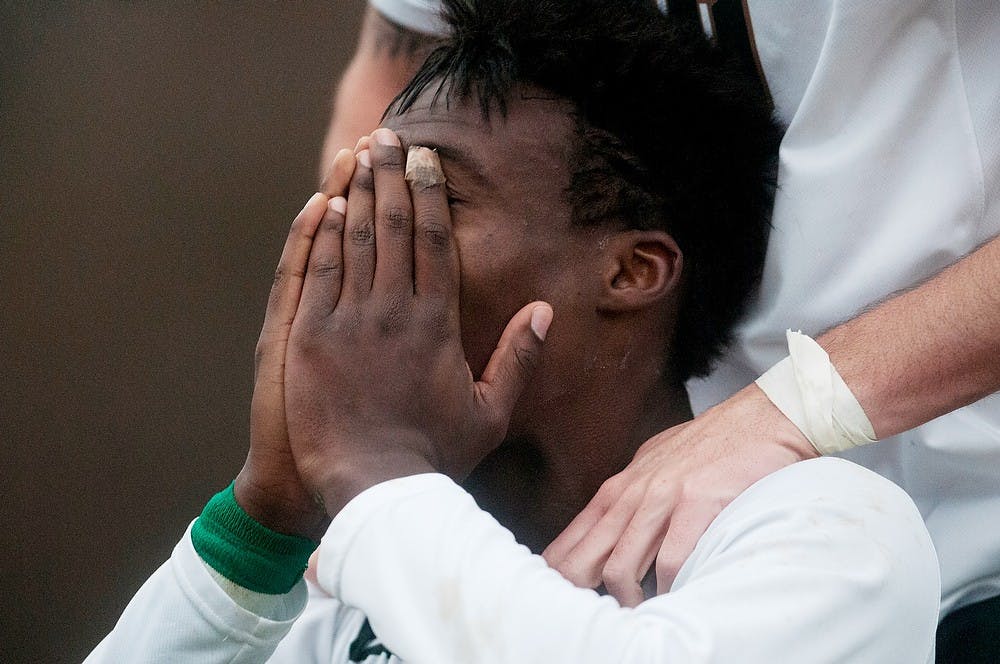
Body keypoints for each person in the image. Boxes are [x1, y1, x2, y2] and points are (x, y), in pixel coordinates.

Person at [87, 2, 940, 662]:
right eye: (365, 191)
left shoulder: (831, 531)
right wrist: (262, 525)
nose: (363, 234)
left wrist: (375, 469)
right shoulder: (351, 569)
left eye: (430, 197)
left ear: (633, 271)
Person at [324, 2, 1000, 658]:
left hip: (965, 535)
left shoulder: (838, 529)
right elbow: (395, 77)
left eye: (437, 193)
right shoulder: (377, 528)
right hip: (664, 489)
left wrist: (793, 407)